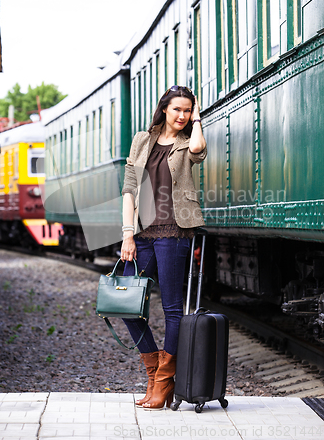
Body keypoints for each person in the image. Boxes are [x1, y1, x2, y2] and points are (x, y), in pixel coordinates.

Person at [121, 85, 207, 410]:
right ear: (164, 109)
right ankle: (154, 369)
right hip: (142, 233)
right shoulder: (142, 140)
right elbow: (129, 189)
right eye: (178, 110)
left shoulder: (188, 141)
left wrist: (198, 118)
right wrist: (127, 233)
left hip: (174, 231)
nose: (182, 115)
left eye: (187, 110)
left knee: (172, 308)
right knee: (128, 305)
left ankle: (164, 382)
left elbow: (200, 149)